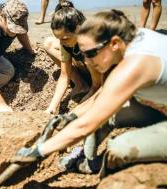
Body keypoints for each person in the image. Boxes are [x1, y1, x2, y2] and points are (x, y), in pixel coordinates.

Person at [12, 10, 167, 176]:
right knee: (105, 115)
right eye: (85, 54)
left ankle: (105, 172)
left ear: (114, 43)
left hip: (158, 106)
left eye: (92, 53)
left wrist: (38, 151)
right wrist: (71, 117)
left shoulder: (136, 64)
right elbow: (103, 97)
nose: (89, 61)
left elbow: (86, 125)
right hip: (159, 102)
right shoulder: (133, 37)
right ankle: (88, 158)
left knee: (118, 148)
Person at [44, 1, 103, 114]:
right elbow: (64, 76)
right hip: (93, 77)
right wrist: (51, 107)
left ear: (79, 29)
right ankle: (80, 85)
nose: (61, 42)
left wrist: (76, 111)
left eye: (65, 38)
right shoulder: (66, 43)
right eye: (58, 38)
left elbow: (97, 86)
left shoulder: (92, 46)